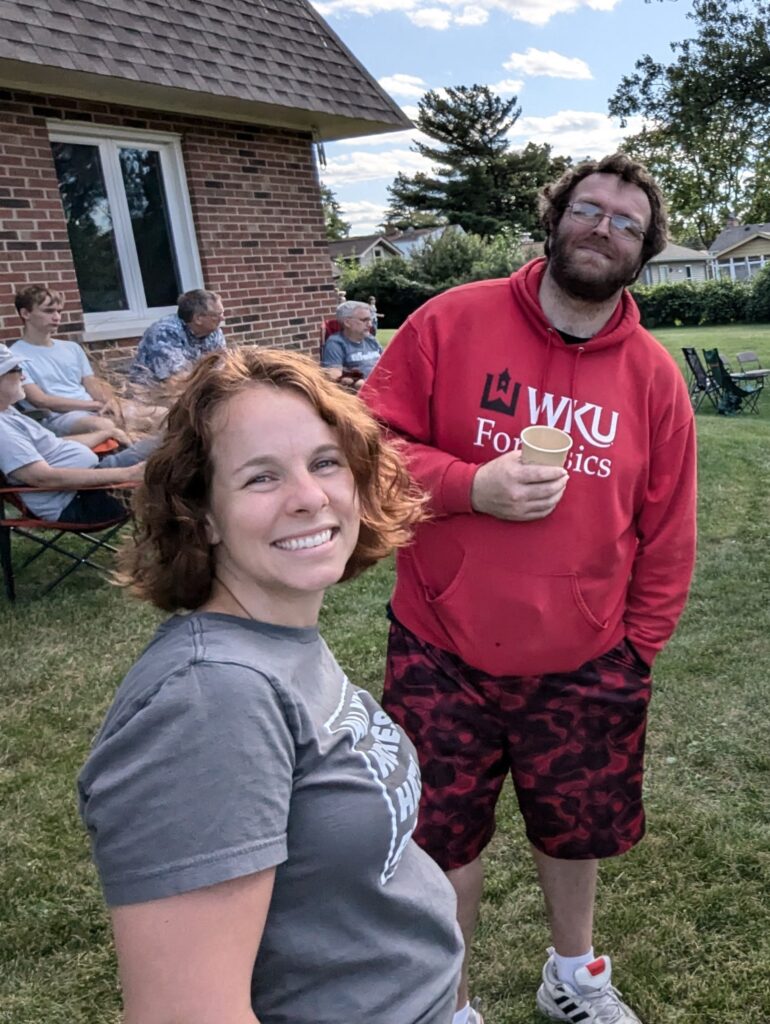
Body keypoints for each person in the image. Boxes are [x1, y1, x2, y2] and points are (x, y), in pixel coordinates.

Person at [361, 153, 697, 1024]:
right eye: (590, 209)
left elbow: (667, 532)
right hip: (441, 648)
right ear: (555, 218)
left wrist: (637, 650)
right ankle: (450, 1001)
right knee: (440, 840)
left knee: (574, 831)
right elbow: (368, 450)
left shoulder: (655, 378)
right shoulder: (449, 321)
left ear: (645, 250)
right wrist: (473, 486)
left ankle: (574, 976)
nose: (604, 229)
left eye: (627, 223)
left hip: (587, 660)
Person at [77, 347, 463, 1024]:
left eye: (324, 463)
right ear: (203, 515)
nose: (309, 498)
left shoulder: (276, 640)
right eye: (261, 478)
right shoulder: (211, 702)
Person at [0, 345, 149, 524]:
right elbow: (42, 477)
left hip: (90, 484)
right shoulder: (2, 431)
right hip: (79, 500)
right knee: (175, 454)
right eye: (16, 370)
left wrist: (107, 433)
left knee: (170, 443)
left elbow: (55, 444)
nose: (23, 376)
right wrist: (127, 474)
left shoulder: (7, 413)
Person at [11, 284, 135, 444]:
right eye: (48, 311)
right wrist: (92, 406)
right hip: (59, 417)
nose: (56, 317)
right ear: (25, 313)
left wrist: (109, 401)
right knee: (104, 425)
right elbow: (41, 400)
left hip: (93, 408)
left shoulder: (72, 348)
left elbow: (90, 382)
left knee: (160, 413)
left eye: (59, 311)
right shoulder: (15, 356)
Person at [129, 288, 226, 382]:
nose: (223, 318)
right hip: (151, 393)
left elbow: (221, 367)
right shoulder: (164, 333)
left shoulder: (214, 332)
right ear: (198, 319)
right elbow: (177, 381)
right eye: (216, 315)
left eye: (222, 313)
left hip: (193, 388)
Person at [321, 299, 383, 388]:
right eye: (364, 320)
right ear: (347, 323)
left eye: (370, 320)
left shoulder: (371, 340)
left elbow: (387, 363)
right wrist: (356, 383)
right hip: (359, 395)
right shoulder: (336, 343)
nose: (370, 325)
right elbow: (334, 376)